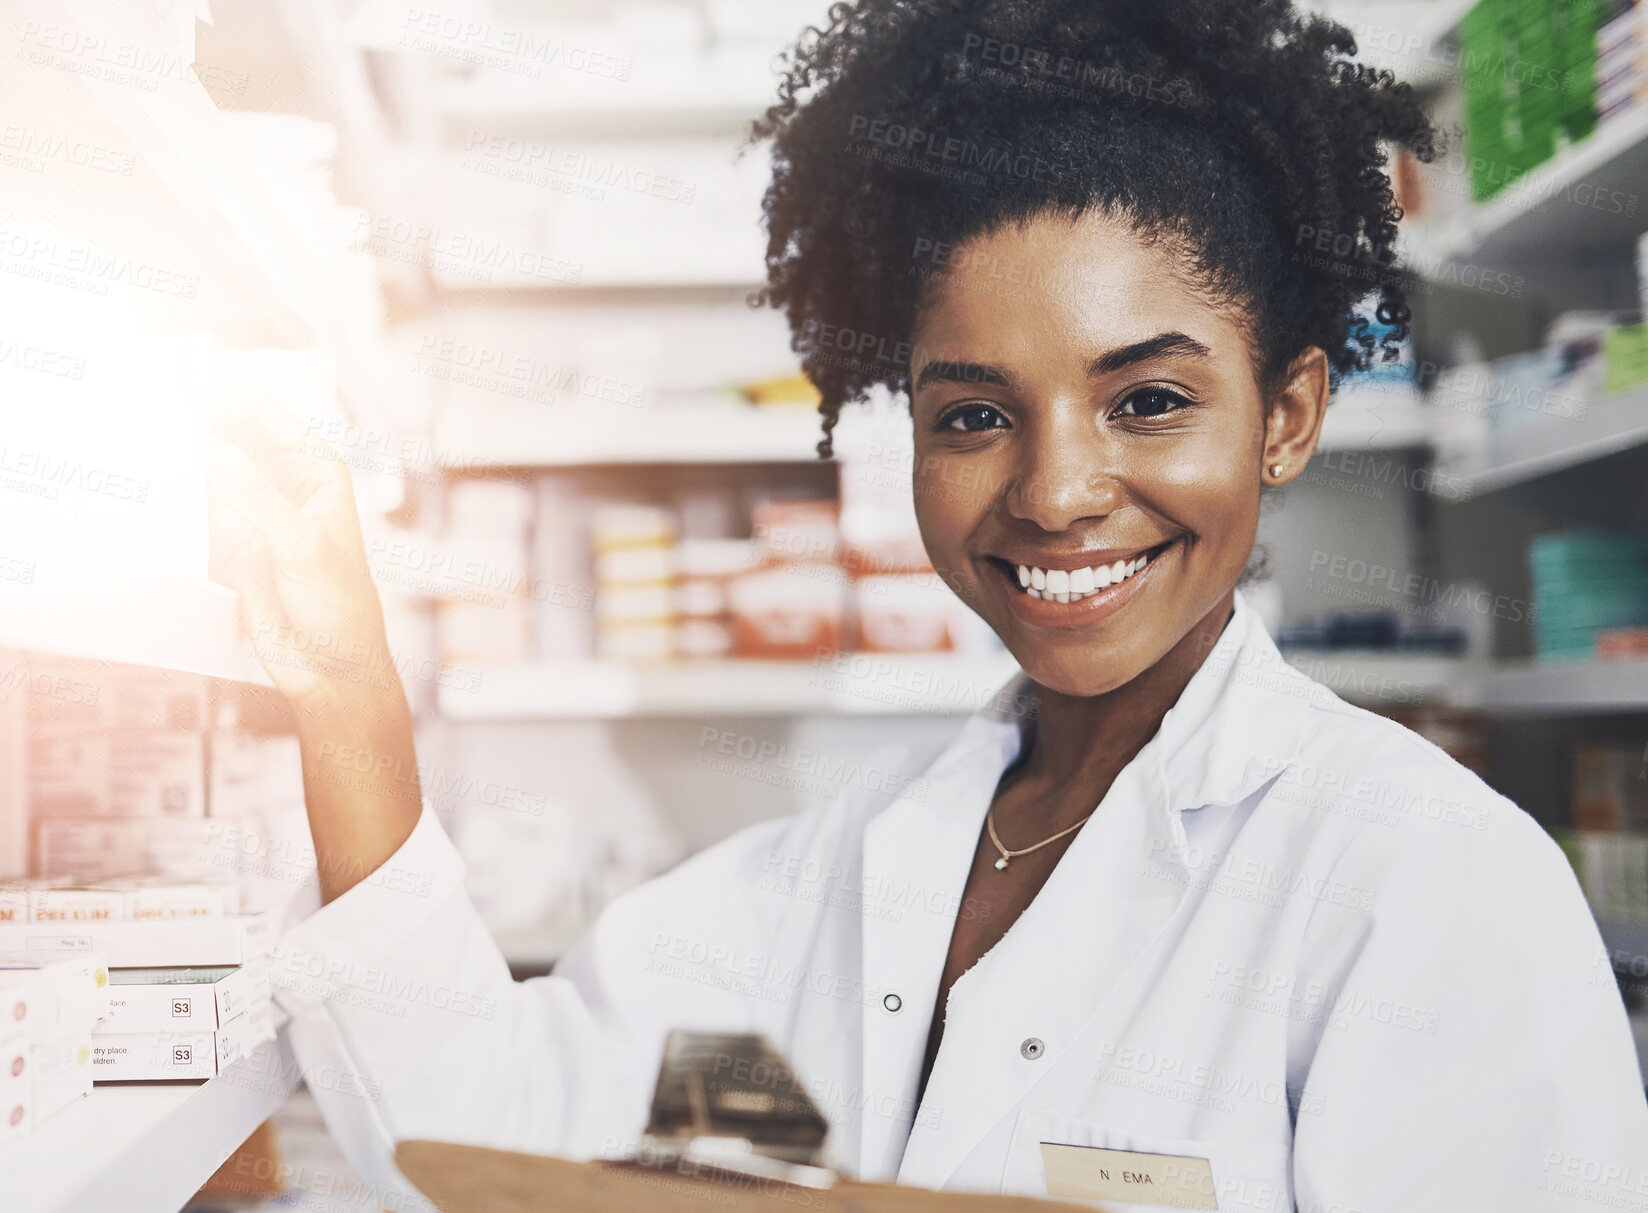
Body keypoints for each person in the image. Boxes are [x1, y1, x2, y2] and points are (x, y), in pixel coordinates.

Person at [205, 1, 1648, 1209]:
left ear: (1286, 414)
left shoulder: (1427, 881)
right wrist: (341, 672)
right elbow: (486, 1130)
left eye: (1148, 400)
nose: (1058, 491)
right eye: (974, 417)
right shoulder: (833, 882)